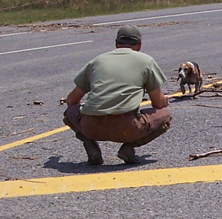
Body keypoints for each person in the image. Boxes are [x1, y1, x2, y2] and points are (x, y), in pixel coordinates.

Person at [64, 25, 171, 165]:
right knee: (165, 116)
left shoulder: (97, 61)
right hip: (126, 129)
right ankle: (128, 148)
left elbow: (72, 100)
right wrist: (164, 101)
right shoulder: (146, 61)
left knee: (69, 112)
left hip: (91, 127)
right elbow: (157, 103)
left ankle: (90, 145)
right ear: (139, 45)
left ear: (116, 43)